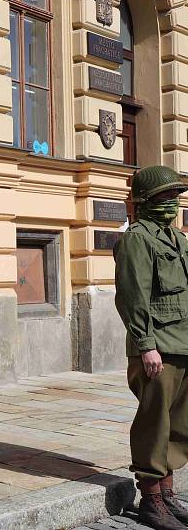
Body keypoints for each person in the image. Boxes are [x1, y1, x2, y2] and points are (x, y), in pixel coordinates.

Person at [114, 165, 188, 530]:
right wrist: (146, 345)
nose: (173, 202)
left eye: (176, 195)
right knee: (153, 422)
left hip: (184, 343)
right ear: (146, 200)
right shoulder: (137, 239)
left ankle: (168, 492)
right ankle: (151, 499)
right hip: (157, 346)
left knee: (180, 423)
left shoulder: (178, 239)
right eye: (166, 196)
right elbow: (132, 297)